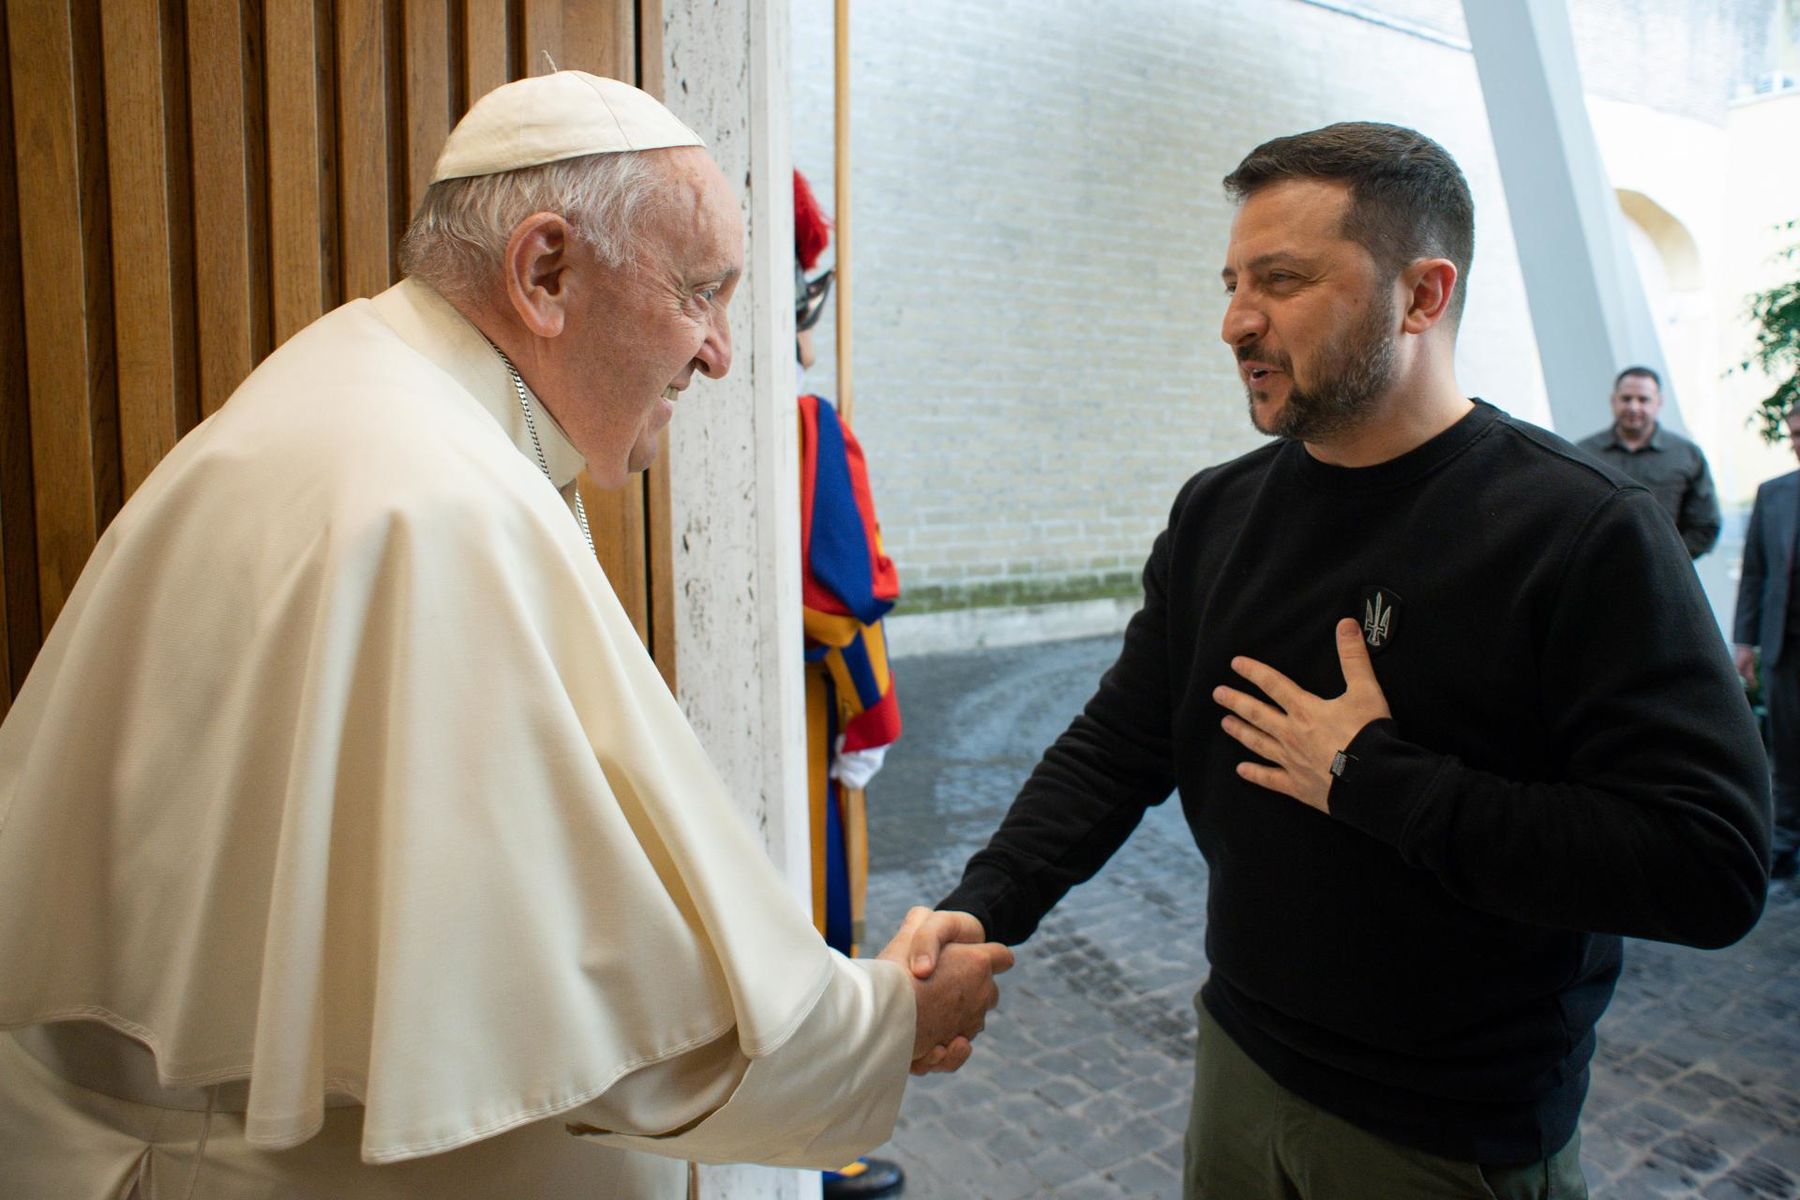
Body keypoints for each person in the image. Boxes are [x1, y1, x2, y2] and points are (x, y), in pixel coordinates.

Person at [0, 72, 1011, 1199]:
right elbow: (590, 1018)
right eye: (700, 295)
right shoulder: (435, 499)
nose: (721, 352)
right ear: (544, 273)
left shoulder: (358, 389)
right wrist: (886, 1021)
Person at [910, 123, 1770, 1200]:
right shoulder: (1219, 510)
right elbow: (1122, 742)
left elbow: (1713, 864)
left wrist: (1377, 780)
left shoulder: (1581, 532)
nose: (1235, 321)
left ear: (1422, 296)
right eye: (1231, 282)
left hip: (1451, 1133)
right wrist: (985, 904)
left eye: (1282, 280)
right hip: (1238, 1062)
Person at [792, 168, 908, 1200]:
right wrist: (873, 712)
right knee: (819, 910)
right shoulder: (807, 425)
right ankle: (825, 1133)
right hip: (797, 715)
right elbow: (847, 591)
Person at [1733, 408, 1800, 882]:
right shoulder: (1774, 493)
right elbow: (1755, 573)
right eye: (1794, 435)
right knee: (1787, 750)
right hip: (1785, 650)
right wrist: (1744, 642)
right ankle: (1785, 843)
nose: (1797, 442)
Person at [1577, 366, 1721, 558]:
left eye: (1643, 399)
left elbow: (1705, 524)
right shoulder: (1583, 453)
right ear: (1613, 400)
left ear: (1659, 403)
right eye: (1626, 398)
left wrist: (1668, 559)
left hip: (1664, 578)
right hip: (1594, 574)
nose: (1634, 407)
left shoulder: (1686, 454)